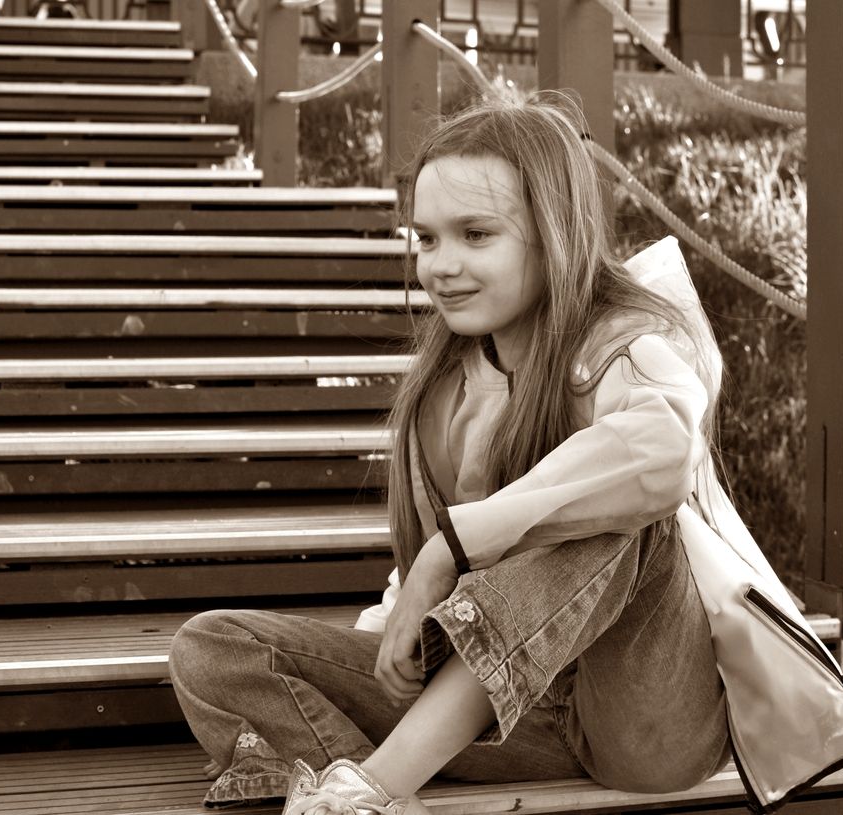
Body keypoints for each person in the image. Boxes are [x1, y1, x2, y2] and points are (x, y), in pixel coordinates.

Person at [168, 92, 734, 815]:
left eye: (476, 234)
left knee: (616, 505)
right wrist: (394, 625)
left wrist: (449, 550)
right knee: (213, 646)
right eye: (427, 239)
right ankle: (354, 794)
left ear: (554, 233)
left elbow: (663, 453)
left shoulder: (624, 344)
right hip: (511, 714)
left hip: (643, 718)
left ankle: (373, 786)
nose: (442, 265)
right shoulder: (447, 385)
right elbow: (429, 571)